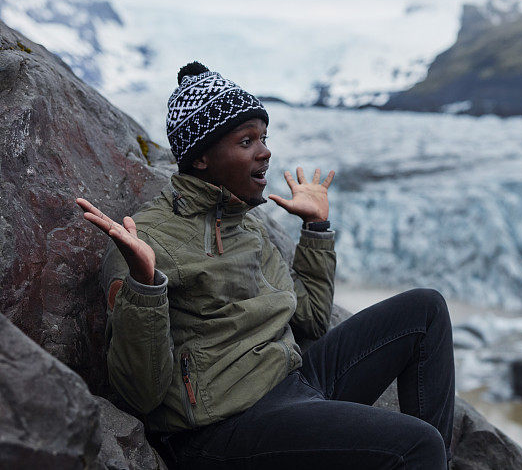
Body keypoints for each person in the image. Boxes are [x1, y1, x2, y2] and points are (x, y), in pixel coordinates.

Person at [75, 62, 455, 470]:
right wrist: (145, 286)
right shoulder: (144, 241)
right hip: (224, 428)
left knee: (425, 310)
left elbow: (309, 320)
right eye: (246, 141)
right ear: (202, 157)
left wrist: (315, 228)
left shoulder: (247, 226)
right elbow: (141, 394)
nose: (265, 151)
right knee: (417, 446)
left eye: (264, 137)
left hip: (292, 386)